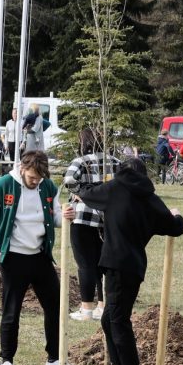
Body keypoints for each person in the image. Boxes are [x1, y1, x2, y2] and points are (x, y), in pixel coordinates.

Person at [67, 158, 183, 365]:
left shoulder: (114, 189)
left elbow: (87, 191)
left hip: (116, 264)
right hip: (133, 266)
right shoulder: (151, 199)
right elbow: (176, 228)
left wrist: (79, 196)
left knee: (118, 321)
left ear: (122, 172)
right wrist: (177, 215)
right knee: (108, 319)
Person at [0, 151, 79, 365]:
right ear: (22, 168)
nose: (35, 181)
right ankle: (7, 361)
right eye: (31, 177)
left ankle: (55, 360)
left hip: (40, 256)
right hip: (13, 257)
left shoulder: (48, 187)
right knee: (12, 309)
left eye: (39, 178)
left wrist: (66, 215)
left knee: (55, 307)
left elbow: (54, 217)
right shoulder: (3, 185)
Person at [62, 130, 119, 321]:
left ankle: (86, 308)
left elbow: (69, 179)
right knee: (104, 263)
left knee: (85, 264)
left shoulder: (82, 161)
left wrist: (84, 193)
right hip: (108, 218)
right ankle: (102, 306)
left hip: (84, 217)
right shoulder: (115, 161)